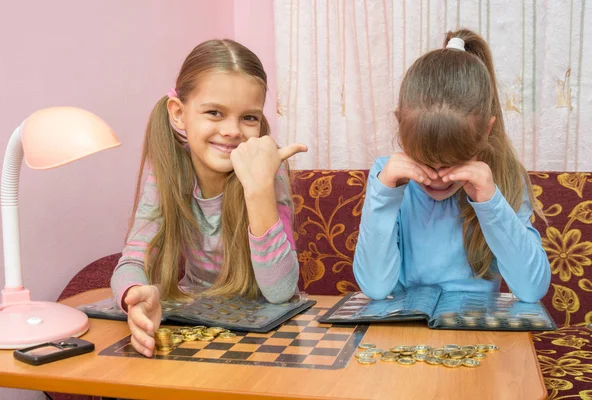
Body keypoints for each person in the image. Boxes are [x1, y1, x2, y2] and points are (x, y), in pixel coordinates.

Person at [110, 39, 307, 357]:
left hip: (270, 330)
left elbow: (280, 291)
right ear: (178, 113)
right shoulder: (167, 172)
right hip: (194, 321)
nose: (232, 130)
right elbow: (132, 262)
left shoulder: (267, 168)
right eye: (215, 112)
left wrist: (258, 188)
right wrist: (135, 293)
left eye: (249, 118)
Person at [353, 29, 550, 303]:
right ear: (400, 124)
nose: (437, 179)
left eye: (452, 163)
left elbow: (531, 289)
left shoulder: (503, 177)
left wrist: (490, 202)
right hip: (403, 334)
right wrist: (384, 195)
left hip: (476, 333)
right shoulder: (387, 176)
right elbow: (374, 287)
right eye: (424, 160)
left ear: (485, 132)